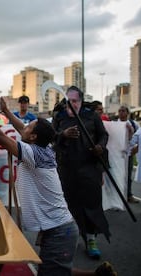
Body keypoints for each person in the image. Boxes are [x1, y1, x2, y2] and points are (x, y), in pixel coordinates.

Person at [0, 87, 117, 276]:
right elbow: (21, 128)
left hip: (59, 232)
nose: (24, 126)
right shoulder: (42, 147)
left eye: (30, 126)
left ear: (33, 137)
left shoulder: (34, 153)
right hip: (60, 229)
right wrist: (5, 112)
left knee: (49, 272)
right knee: (57, 270)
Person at [52, 86, 110, 260]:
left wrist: (100, 147)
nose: (72, 104)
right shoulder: (60, 117)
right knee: (69, 205)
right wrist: (63, 134)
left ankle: (91, 239)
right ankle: (72, 238)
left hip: (89, 168)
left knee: (91, 204)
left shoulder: (91, 116)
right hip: (67, 169)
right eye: (68, 101)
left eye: (75, 101)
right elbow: (52, 138)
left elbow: (103, 135)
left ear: (81, 101)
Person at [117, 105, 140, 203]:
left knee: (128, 175)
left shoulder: (134, 124)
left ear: (127, 113)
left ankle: (129, 194)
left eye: (123, 111)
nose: (121, 113)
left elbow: (140, 137)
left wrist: (136, 148)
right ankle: (119, 196)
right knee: (118, 175)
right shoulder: (115, 123)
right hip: (117, 154)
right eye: (120, 111)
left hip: (129, 154)